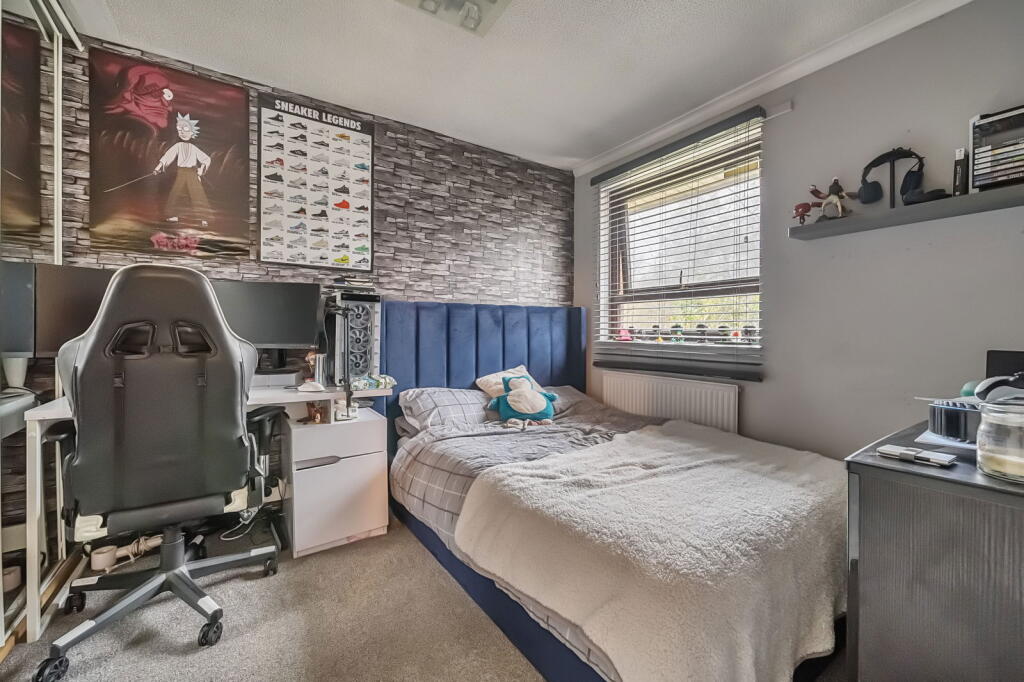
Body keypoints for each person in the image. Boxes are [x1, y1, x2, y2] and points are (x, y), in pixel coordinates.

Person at [153, 112, 212, 227]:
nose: (182, 132)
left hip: (192, 173)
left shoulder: (194, 148)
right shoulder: (178, 146)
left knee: (197, 194)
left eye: (185, 129)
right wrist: (158, 168)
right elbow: (168, 156)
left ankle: (204, 218)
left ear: (192, 132)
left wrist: (201, 169)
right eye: (180, 130)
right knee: (176, 193)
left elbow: (206, 159)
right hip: (181, 173)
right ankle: (172, 215)